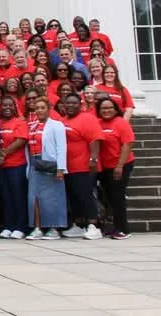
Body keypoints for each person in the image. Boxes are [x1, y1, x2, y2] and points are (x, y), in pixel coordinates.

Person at [60, 93, 103, 239]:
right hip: (68, 167)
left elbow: (95, 140)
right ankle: (78, 225)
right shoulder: (63, 120)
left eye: (74, 103)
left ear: (80, 105)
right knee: (74, 197)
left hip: (84, 166)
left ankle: (94, 225)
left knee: (86, 196)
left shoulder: (87, 119)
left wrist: (93, 159)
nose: (70, 106)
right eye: (68, 103)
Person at [25, 98, 67, 240]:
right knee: (34, 197)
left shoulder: (56, 125)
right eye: (37, 108)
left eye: (42, 107)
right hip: (34, 162)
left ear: (49, 109)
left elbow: (61, 147)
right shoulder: (32, 126)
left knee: (52, 197)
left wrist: (61, 168)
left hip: (49, 163)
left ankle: (53, 228)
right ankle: (37, 227)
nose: (39, 110)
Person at [96, 97, 134, 239]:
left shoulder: (121, 123)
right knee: (110, 198)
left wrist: (119, 166)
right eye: (103, 108)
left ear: (116, 109)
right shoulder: (98, 123)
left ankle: (123, 230)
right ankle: (116, 227)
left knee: (118, 197)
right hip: (105, 166)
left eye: (109, 108)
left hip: (121, 165)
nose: (106, 110)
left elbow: (127, 144)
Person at [0, 96, 29, 239]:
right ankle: (8, 226)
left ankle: (20, 227)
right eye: (4, 105)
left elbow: (21, 140)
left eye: (10, 105)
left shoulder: (20, 122)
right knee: (5, 197)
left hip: (17, 165)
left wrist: (4, 153)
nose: (7, 108)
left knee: (18, 196)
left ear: (15, 107)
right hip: (2, 166)